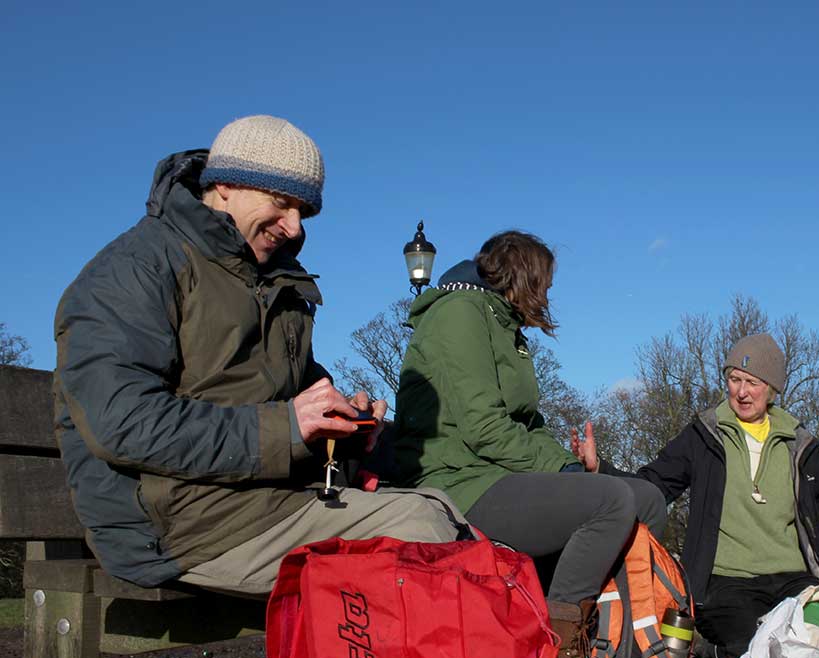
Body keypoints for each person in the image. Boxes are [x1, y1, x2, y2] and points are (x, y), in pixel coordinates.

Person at [54, 115, 466, 595]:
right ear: (225, 185)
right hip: (180, 530)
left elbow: (297, 403)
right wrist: (289, 425)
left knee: (442, 509)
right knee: (425, 530)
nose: (293, 227)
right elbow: (121, 423)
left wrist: (349, 426)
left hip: (262, 503)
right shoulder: (132, 271)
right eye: (281, 202)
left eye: (303, 212)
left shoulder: (268, 278)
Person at [571, 332, 819, 658]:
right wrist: (602, 470)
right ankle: (707, 649)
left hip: (794, 579)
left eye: (753, 382)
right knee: (755, 651)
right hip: (726, 583)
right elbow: (653, 486)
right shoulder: (703, 435)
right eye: (734, 379)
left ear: (772, 390)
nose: (741, 392)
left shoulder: (799, 444)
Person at [391, 230, 667, 615]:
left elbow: (530, 425)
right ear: (524, 278)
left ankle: (621, 641)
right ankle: (560, 635)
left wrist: (571, 466)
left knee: (647, 499)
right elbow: (484, 428)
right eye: (545, 286)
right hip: (457, 480)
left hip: (497, 472)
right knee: (610, 500)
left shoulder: (504, 327)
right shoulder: (460, 313)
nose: (547, 297)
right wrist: (565, 471)